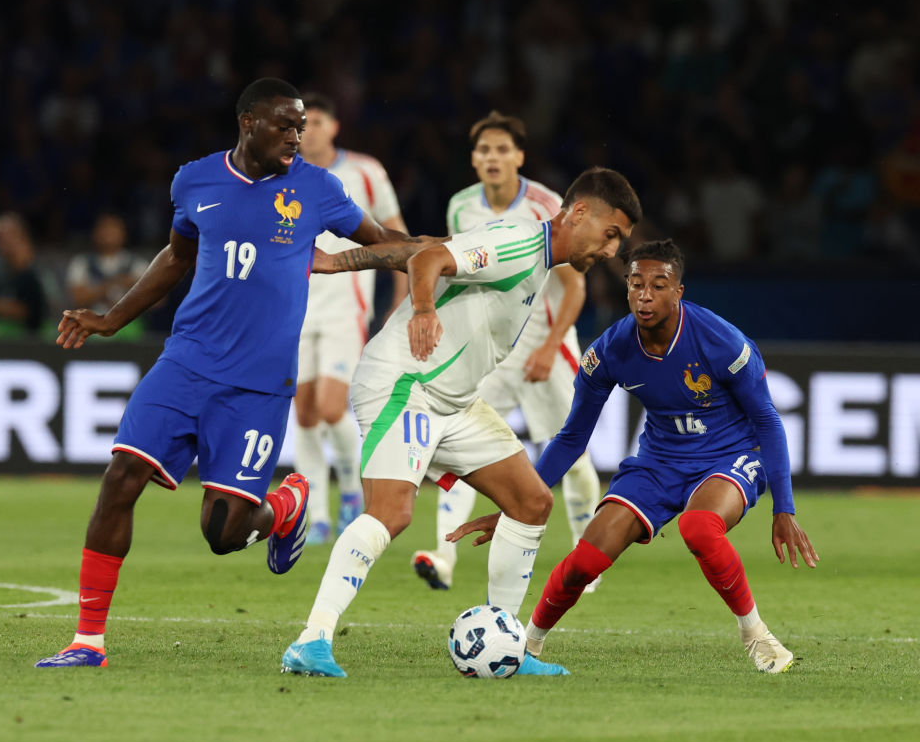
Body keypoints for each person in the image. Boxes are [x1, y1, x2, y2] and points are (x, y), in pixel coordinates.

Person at [35, 78, 420, 668]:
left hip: (258, 386)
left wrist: (450, 255)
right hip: (186, 361)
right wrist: (113, 319)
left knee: (222, 535)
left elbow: (384, 243)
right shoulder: (195, 180)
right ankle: (88, 640)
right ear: (248, 123)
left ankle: (282, 510)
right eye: (285, 125)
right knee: (120, 478)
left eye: (302, 126)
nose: (297, 137)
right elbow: (178, 256)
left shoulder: (316, 187)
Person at [280, 167, 642, 678]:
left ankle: (508, 648)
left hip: (454, 401)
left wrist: (339, 262)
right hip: (406, 384)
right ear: (579, 212)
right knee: (392, 513)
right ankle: (311, 638)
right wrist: (423, 308)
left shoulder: (531, 254)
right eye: (611, 235)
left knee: (531, 501)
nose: (611, 251)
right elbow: (430, 260)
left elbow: (426, 245)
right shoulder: (520, 244)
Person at [449, 239, 819, 674]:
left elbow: (769, 422)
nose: (645, 296)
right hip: (658, 462)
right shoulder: (610, 351)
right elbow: (571, 437)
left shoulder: (722, 342)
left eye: (658, 286)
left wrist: (784, 508)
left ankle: (756, 636)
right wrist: (516, 504)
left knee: (700, 528)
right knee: (584, 561)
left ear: (678, 291)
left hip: (728, 456)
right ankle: (526, 645)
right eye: (635, 284)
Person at [411, 111, 601, 592]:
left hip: (545, 345)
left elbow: (574, 289)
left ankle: (587, 557)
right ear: (473, 160)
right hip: (490, 350)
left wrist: (550, 345)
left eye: (502, 150)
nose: (492, 158)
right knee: (459, 451)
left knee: (573, 456)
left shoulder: (546, 205)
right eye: (484, 150)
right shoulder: (460, 208)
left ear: (519, 156)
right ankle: (443, 556)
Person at [295, 93, 409, 545]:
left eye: (318, 121)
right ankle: (315, 515)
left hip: (346, 307)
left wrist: (402, 297)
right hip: (297, 307)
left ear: (335, 126)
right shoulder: (283, 173)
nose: (310, 131)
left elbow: (393, 234)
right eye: (303, 124)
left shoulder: (365, 171)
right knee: (303, 415)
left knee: (329, 407)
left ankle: (350, 492)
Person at [65, 213, 149, 340]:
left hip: (128, 325)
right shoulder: (82, 263)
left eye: (114, 228)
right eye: (104, 228)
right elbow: (77, 298)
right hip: (93, 324)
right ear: (95, 233)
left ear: (124, 233)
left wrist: (132, 285)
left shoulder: (137, 264)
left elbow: (158, 300)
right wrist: (106, 287)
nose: (109, 233)